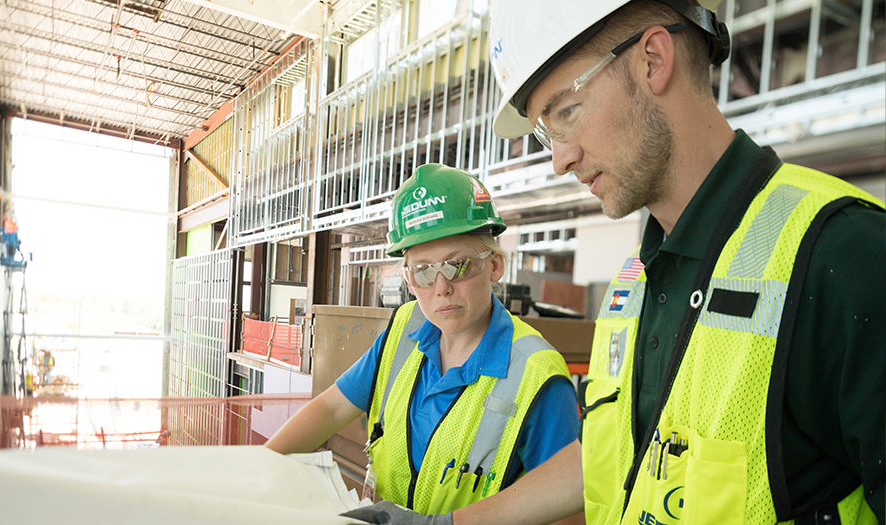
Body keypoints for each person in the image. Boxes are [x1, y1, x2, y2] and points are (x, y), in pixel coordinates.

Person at [484, 0, 885, 524]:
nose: (559, 158)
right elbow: (613, 459)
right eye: (545, 130)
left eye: (565, 112)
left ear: (653, 59)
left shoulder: (844, 257)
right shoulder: (633, 283)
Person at [265, 163, 584, 524]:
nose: (441, 287)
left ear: (495, 265)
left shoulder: (535, 374)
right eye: (423, 270)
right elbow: (331, 409)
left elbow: (570, 509)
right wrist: (256, 467)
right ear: (407, 278)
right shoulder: (404, 329)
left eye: (458, 265)